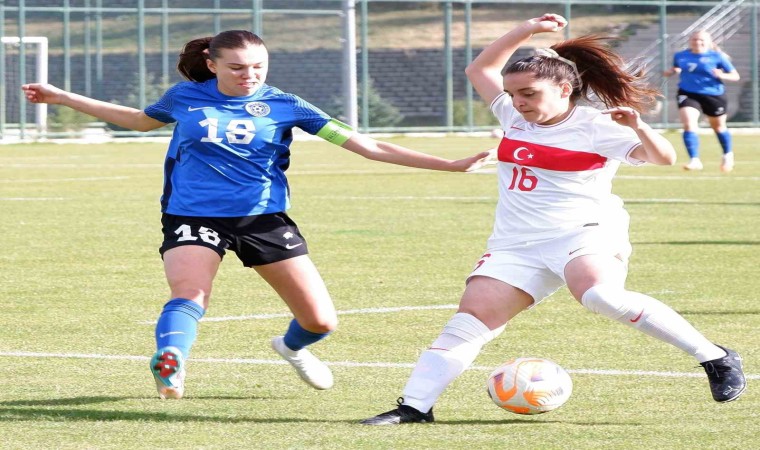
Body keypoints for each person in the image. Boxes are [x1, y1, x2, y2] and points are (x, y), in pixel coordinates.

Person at [22, 30, 493, 400]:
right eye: (238, 67)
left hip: (264, 219)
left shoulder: (288, 105)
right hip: (192, 214)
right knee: (190, 291)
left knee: (320, 322)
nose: (249, 75)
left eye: (258, 67)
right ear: (211, 65)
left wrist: (447, 163)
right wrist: (64, 97)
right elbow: (139, 120)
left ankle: (290, 347)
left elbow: (366, 145)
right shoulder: (185, 98)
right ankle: (171, 358)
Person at [361, 14, 746, 425]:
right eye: (512, 94)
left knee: (600, 295)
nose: (518, 102)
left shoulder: (597, 127)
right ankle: (415, 408)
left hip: (585, 233)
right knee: (468, 322)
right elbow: (479, 68)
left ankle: (716, 357)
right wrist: (526, 29)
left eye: (528, 93)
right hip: (516, 244)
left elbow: (662, 157)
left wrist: (637, 125)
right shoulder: (514, 116)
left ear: (564, 89)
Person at [663, 30, 740, 172]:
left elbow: (735, 76)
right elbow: (677, 68)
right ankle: (694, 160)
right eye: (694, 39)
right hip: (688, 93)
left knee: (718, 127)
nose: (697, 42)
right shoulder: (681, 56)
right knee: (688, 124)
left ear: (708, 42)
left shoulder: (717, 57)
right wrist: (671, 72)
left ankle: (728, 155)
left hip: (713, 95)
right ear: (690, 41)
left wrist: (721, 74)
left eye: (701, 40)